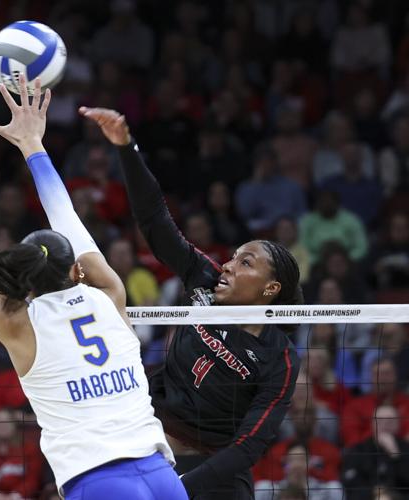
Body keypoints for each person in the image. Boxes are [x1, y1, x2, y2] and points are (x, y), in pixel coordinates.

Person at [0, 75, 184, 499]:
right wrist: (33, 146)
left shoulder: (18, 326)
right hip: (159, 472)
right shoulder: (109, 294)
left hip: (99, 479)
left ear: (26, 281)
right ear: (77, 269)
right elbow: (67, 218)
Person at [78, 104, 303, 499]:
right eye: (234, 257)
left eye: (245, 263)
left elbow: (249, 446)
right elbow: (154, 220)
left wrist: (181, 488)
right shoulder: (204, 279)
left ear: (270, 289)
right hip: (149, 443)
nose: (228, 265)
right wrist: (126, 147)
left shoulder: (279, 357)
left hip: (210, 471)